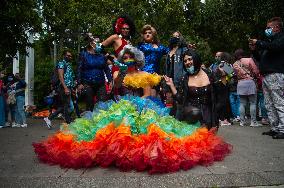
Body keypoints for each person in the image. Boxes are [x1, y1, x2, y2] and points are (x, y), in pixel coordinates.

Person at [33, 46, 231, 174]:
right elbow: (115, 89)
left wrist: (138, 105)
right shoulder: (119, 73)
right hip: (121, 106)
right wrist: (118, 72)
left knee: (147, 134)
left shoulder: (146, 75)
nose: (127, 59)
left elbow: (147, 95)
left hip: (143, 106)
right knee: (107, 133)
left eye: (130, 57)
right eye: (124, 57)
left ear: (137, 59)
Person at [164, 49, 218, 129]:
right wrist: (171, 85)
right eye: (185, 61)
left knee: (209, 139)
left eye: (190, 59)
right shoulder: (184, 79)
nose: (187, 62)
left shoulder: (209, 74)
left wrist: (226, 74)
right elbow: (181, 100)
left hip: (209, 117)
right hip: (192, 118)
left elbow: (219, 95)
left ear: (195, 59)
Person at [249, 17, 284, 139]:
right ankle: (275, 128)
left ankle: (283, 128)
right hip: (266, 76)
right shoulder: (269, 43)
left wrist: (258, 42)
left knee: (279, 102)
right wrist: (254, 51)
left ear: (277, 27)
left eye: (269, 27)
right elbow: (260, 59)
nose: (266, 30)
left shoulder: (280, 39)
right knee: (269, 103)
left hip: (276, 75)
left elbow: (276, 47)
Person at [77, 34, 112, 111]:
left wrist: (110, 81)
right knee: (89, 105)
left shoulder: (102, 55)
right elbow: (79, 69)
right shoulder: (83, 54)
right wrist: (79, 83)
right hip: (87, 83)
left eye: (100, 42)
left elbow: (106, 69)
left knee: (102, 106)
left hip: (101, 84)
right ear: (91, 43)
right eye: (97, 42)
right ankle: (89, 121)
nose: (100, 44)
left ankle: (100, 122)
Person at [44, 50, 75, 128]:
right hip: (63, 87)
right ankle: (68, 122)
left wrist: (72, 88)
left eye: (70, 56)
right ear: (64, 55)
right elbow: (61, 76)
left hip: (69, 87)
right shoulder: (61, 63)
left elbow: (70, 77)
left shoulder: (69, 64)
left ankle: (49, 118)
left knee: (67, 106)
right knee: (67, 105)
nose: (69, 57)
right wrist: (65, 88)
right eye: (68, 55)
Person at [137, 25, 169, 96]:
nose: (147, 34)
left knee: (153, 99)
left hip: (155, 76)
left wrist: (185, 47)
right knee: (146, 97)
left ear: (153, 34)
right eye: (145, 33)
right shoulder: (141, 46)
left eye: (149, 33)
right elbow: (134, 57)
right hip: (144, 74)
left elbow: (171, 52)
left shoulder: (161, 47)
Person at [233, 49, 260, 127]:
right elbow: (256, 71)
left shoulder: (235, 64)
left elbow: (232, 73)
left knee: (242, 103)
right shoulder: (249, 60)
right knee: (252, 103)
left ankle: (242, 122)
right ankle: (253, 122)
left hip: (240, 83)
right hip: (250, 82)